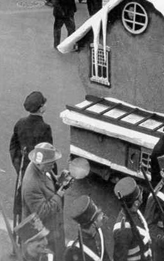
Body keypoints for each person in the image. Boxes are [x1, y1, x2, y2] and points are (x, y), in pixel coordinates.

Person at [9, 91, 54, 224]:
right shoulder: (45, 128)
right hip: (38, 172)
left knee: (21, 204)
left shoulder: (20, 123)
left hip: (23, 171)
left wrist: (19, 166)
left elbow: (13, 147)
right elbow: (48, 155)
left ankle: (19, 236)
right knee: (38, 205)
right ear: (41, 108)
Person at [22, 143, 71, 261]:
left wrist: (60, 180)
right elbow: (43, 212)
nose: (54, 165)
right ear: (41, 163)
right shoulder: (32, 184)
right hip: (43, 237)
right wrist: (60, 192)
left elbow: (49, 180)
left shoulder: (41, 167)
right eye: (51, 163)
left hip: (52, 229)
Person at [113, 177, 152, 261]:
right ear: (136, 203)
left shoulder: (134, 211)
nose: (142, 194)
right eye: (140, 194)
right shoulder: (122, 230)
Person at [65, 195, 110, 261]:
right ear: (94, 224)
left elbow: (105, 257)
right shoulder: (73, 251)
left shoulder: (99, 231)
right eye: (99, 215)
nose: (102, 215)